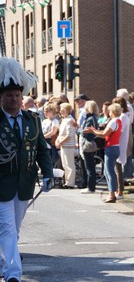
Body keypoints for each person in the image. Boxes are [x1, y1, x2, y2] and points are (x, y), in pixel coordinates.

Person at [0, 57, 53, 282]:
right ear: (1, 98)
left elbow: (42, 148)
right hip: (1, 184)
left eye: (17, 95)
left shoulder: (32, 120)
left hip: (24, 184)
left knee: (14, 230)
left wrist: (49, 173)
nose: (14, 99)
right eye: (9, 95)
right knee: (8, 229)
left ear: (22, 97)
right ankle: (13, 274)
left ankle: (4, 264)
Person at [85, 103, 123, 203]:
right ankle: (113, 192)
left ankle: (112, 194)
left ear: (113, 112)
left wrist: (93, 131)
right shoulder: (119, 121)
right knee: (110, 171)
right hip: (116, 147)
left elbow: (103, 134)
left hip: (111, 148)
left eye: (110, 111)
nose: (109, 113)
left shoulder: (113, 121)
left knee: (109, 172)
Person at [111, 97, 131, 200]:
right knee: (117, 168)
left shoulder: (123, 117)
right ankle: (119, 190)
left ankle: (120, 191)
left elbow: (119, 130)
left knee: (118, 169)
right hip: (120, 143)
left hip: (119, 144)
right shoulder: (124, 116)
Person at [55, 103, 77, 188]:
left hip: (68, 145)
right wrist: (58, 141)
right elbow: (61, 133)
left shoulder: (70, 120)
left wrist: (60, 142)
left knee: (69, 164)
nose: (60, 111)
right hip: (64, 145)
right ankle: (67, 181)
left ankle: (70, 183)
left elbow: (69, 135)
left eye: (62, 110)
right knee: (65, 164)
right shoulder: (64, 119)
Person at [80, 100, 100, 194]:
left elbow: (85, 132)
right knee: (90, 166)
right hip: (90, 143)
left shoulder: (90, 119)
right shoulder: (94, 118)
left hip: (87, 144)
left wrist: (78, 130)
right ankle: (91, 186)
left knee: (89, 167)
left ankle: (91, 187)